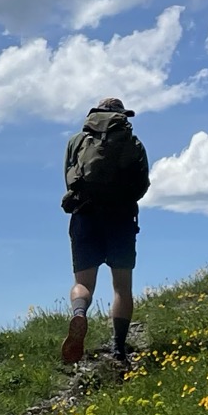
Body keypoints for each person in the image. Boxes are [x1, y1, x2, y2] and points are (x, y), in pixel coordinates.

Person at [59, 95, 149, 369]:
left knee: (83, 283)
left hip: (85, 216)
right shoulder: (133, 142)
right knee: (122, 286)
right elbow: (142, 184)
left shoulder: (76, 141)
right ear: (123, 116)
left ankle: (79, 313)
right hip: (120, 218)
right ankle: (119, 348)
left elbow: (69, 178)